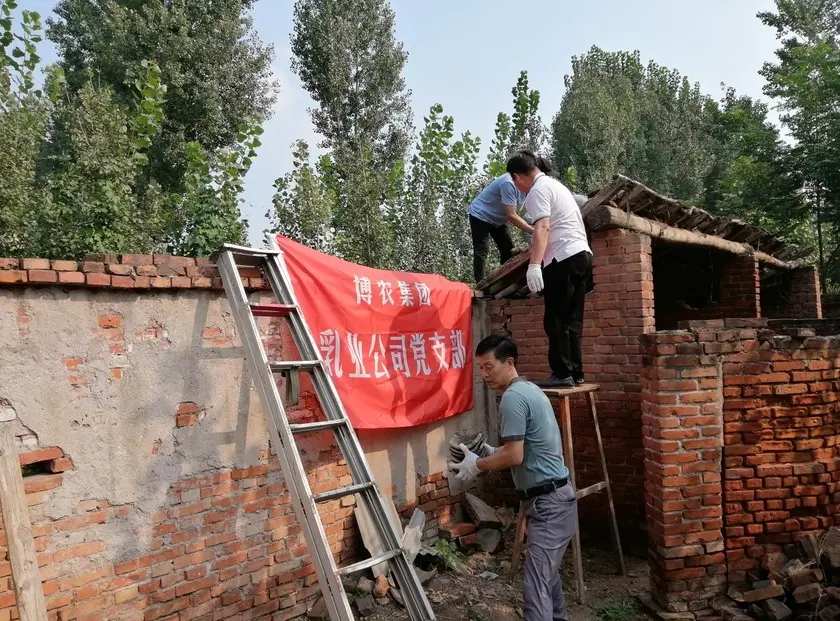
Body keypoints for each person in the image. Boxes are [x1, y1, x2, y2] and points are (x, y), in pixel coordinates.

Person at [449, 334, 576, 621]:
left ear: (509, 363)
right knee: (547, 580)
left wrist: (477, 465)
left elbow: (515, 456)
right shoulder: (530, 390)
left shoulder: (512, 397)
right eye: (480, 368)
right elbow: (524, 450)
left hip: (549, 503)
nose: (484, 375)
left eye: (489, 367)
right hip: (553, 499)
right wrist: (490, 452)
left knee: (536, 588)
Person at [507, 151, 593, 388]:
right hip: (582, 255)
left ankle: (562, 373)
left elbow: (542, 228)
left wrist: (535, 265)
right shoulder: (557, 186)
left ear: (517, 177)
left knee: (555, 319)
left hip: (563, 258)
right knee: (572, 320)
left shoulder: (537, 191)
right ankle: (576, 373)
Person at [468, 172, 533, 283]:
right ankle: (480, 283)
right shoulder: (508, 183)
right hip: (481, 214)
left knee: (508, 250)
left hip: (498, 219)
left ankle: (508, 280)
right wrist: (533, 230)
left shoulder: (529, 188)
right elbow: (512, 216)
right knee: (482, 249)